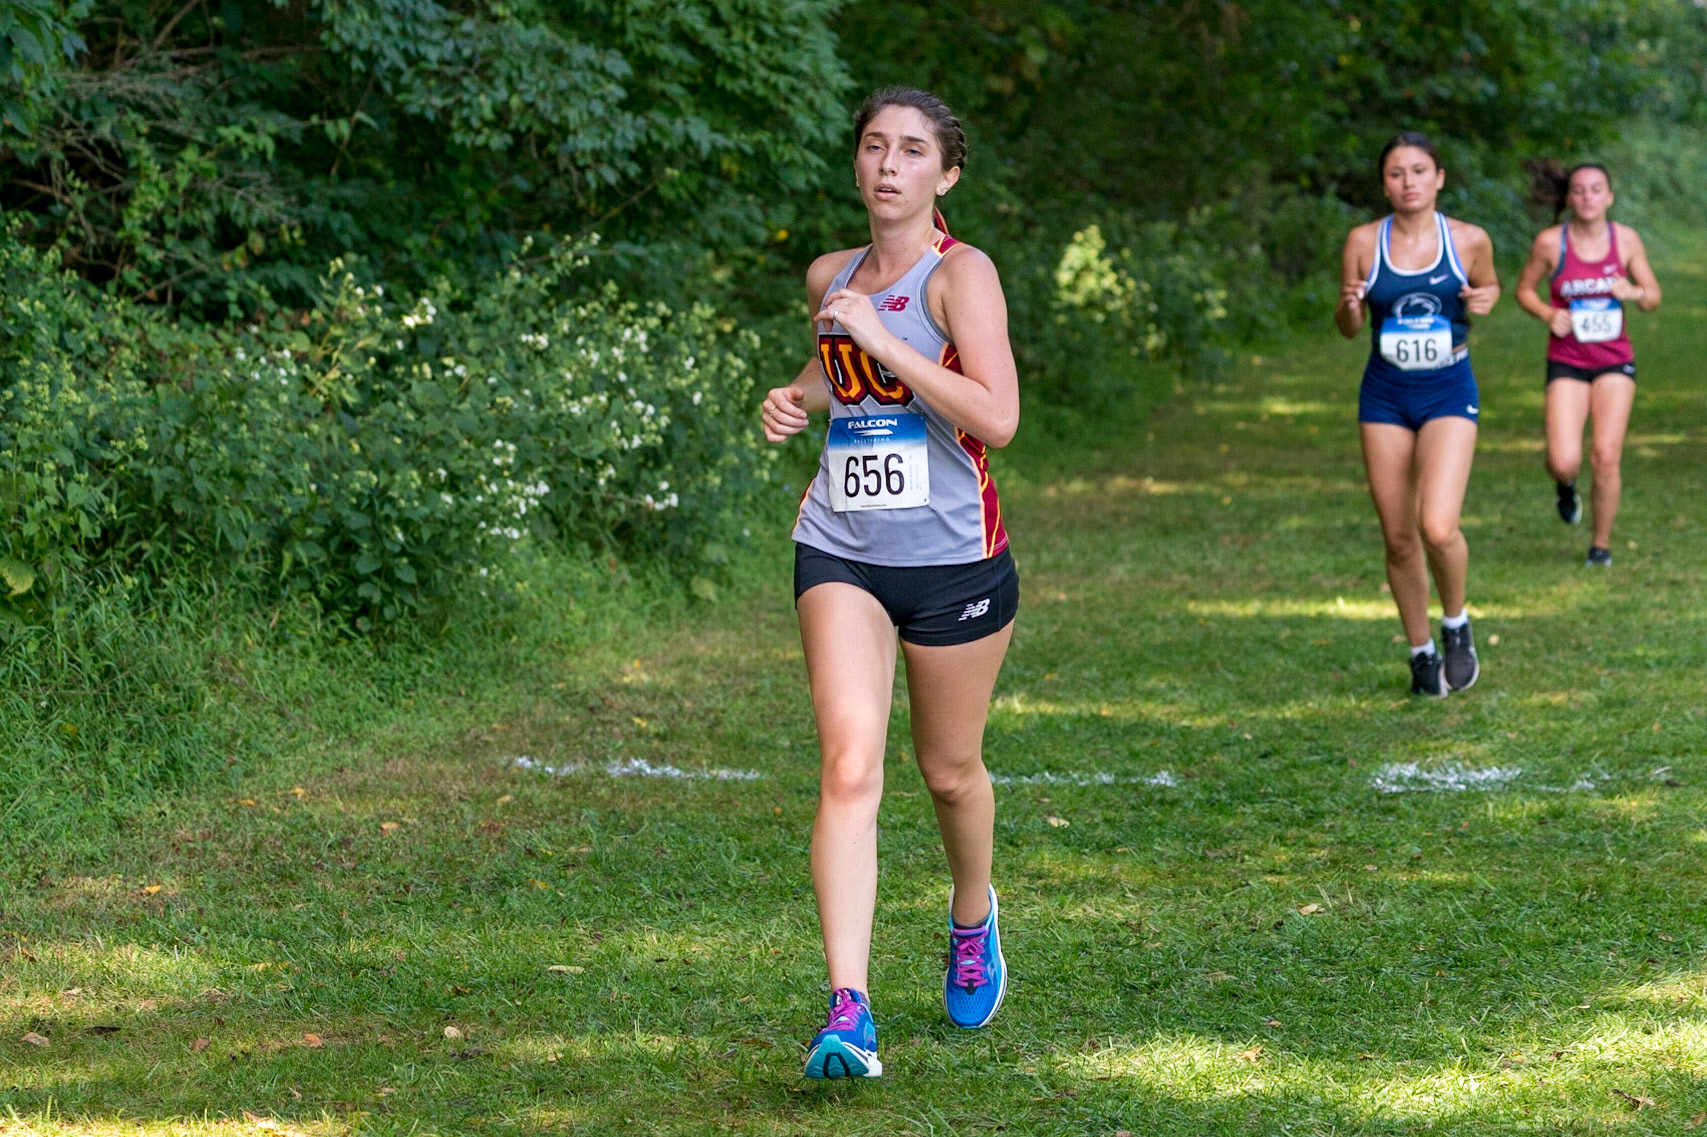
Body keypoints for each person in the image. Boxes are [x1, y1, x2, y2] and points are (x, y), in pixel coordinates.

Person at [759, 86, 1020, 1079]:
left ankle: (971, 916)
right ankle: (848, 1009)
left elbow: (997, 417)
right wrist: (795, 396)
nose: (888, 164)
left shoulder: (962, 276)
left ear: (945, 175)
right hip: (842, 547)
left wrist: (883, 340)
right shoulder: (830, 276)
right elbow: (836, 375)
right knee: (848, 766)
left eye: (912, 150)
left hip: (954, 559)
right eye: (875, 145)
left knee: (948, 771)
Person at [1334, 132, 1501, 697]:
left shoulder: (1469, 239)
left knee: (1437, 525)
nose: (1409, 183)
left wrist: (1486, 298)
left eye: (1419, 171)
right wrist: (1349, 307)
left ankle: (1456, 624)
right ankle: (1421, 652)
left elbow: (1489, 288)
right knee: (1400, 538)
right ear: (1385, 184)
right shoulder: (1363, 241)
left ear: (1439, 178)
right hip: (1384, 393)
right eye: (1396, 173)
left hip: (1448, 388)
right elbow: (1349, 326)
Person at [1514, 162, 1662, 566]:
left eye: (1596, 189)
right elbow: (1524, 290)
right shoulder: (1550, 243)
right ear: (1568, 198)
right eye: (1579, 190)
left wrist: (1633, 292)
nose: (1587, 198)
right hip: (1568, 360)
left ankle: (1600, 546)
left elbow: (1653, 297)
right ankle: (1565, 485)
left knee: (1605, 456)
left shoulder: (1625, 240)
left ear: (1609, 197)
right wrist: (1548, 314)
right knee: (1563, 460)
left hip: (1615, 361)